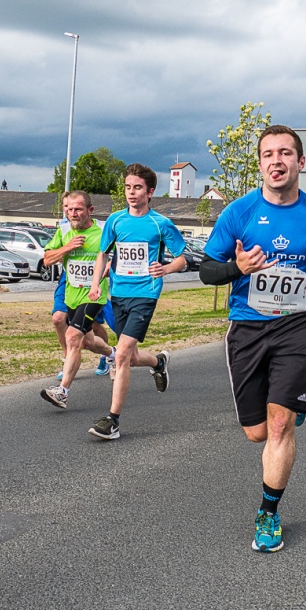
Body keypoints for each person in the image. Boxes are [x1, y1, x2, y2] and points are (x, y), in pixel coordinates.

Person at [200, 124, 306, 553]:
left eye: (285, 153)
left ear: (300, 162)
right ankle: (290, 408)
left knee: (279, 426)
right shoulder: (237, 213)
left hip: (298, 325)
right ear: (260, 163)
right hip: (247, 327)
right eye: (268, 154)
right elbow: (206, 271)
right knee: (256, 432)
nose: (277, 161)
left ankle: (268, 514)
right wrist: (238, 268)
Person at [87, 163, 187, 441]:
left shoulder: (160, 223)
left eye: (138, 188)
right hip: (118, 293)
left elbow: (182, 259)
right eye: (128, 187)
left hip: (146, 294)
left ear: (150, 191)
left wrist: (165, 268)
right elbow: (102, 255)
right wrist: (96, 284)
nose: (132, 192)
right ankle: (158, 362)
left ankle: (113, 420)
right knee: (129, 356)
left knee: (120, 355)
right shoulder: (116, 221)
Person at [39, 191, 115, 410]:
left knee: (72, 337)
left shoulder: (103, 231)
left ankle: (62, 391)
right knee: (87, 342)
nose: (73, 213)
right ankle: (113, 353)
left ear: (90, 210)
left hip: (94, 294)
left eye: (79, 209)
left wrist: (109, 268)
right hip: (72, 294)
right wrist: (67, 247)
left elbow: (118, 256)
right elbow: (47, 259)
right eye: (70, 209)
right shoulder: (63, 231)